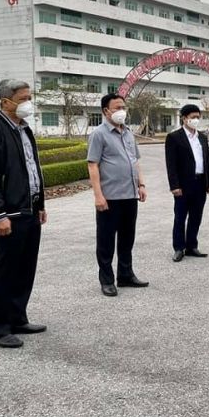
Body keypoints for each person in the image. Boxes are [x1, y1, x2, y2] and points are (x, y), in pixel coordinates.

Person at [0, 79, 47, 348]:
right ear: (5, 102)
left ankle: (17, 318)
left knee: (25, 268)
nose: (28, 102)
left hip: (29, 210)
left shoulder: (25, 130)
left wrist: (40, 205)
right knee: (4, 271)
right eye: (23, 98)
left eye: (29, 97)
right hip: (8, 215)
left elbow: (31, 171)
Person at [87, 93, 149, 297]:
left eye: (124, 106)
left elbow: (135, 161)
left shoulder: (128, 133)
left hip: (130, 195)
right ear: (106, 111)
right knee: (105, 241)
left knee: (127, 238)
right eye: (117, 107)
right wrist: (98, 195)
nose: (122, 110)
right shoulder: (99, 134)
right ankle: (106, 280)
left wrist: (141, 184)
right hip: (110, 197)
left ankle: (125, 275)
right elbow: (93, 165)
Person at [165, 104, 209, 262]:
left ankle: (192, 246)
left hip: (200, 182)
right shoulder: (174, 137)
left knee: (196, 216)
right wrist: (174, 186)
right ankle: (179, 248)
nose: (196, 120)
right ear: (184, 118)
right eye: (193, 117)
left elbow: (207, 161)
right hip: (183, 185)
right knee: (180, 217)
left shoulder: (202, 137)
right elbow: (171, 164)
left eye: (198, 117)